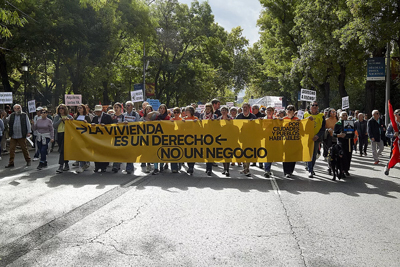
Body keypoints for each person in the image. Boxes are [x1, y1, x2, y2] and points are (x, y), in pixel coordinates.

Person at [5, 104, 32, 168]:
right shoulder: (12, 115)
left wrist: (29, 132)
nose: (17, 110)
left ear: (20, 108)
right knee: (11, 149)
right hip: (13, 135)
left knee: (24, 149)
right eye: (16, 108)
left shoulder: (24, 115)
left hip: (21, 135)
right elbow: (6, 121)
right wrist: (4, 117)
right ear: (14, 109)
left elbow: (28, 123)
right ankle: (11, 162)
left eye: (18, 108)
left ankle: (28, 160)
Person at [304, 101, 325, 178]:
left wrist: (318, 135)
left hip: (316, 138)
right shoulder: (305, 114)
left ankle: (310, 168)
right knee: (309, 154)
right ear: (310, 107)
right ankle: (310, 170)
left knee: (314, 154)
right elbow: (300, 123)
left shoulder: (321, 116)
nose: (315, 106)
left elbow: (323, 128)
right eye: (313, 105)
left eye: (316, 105)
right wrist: (307, 118)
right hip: (307, 138)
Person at [236, 102, 257, 177]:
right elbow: (236, 126)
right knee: (242, 154)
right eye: (243, 107)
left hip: (250, 138)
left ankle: (247, 169)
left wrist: (253, 123)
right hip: (241, 138)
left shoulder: (253, 116)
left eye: (246, 107)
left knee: (248, 153)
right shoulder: (239, 116)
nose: (244, 109)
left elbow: (256, 127)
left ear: (249, 108)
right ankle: (245, 167)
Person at [90, 105, 113, 172]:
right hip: (97, 138)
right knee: (96, 152)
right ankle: (97, 166)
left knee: (104, 152)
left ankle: (104, 167)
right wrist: (92, 125)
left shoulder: (107, 117)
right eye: (96, 112)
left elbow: (111, 126)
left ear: (101, 111)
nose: (97, 113)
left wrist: (105, 126)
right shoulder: (94, 118)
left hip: (105, 138)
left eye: (98, 111)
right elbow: (90, 126)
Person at [333, 111, 355, 177]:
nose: (345, 116)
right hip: (341, 143)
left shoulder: (350, 123)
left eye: (346, 115)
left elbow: (352, 131)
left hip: (349, 142)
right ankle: (341, 170)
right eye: (343, 115)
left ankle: (346, 169)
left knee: (349, 156)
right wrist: (339, 135)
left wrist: (354, 135)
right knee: (342, 156)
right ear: (340, 116)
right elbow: (334, 134)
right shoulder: (338, 124)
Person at [53, 104, 73, 173]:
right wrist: (60, 120)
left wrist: (68, 121)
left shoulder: (69, 116)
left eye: (62, 108)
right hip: (59, 134)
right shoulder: (57, 117)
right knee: (63, 150)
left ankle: (61, 165)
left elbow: (72, 126)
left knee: (62, 150)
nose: (61, 109)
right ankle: (66, 164)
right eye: (60, 108)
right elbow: (54, 126)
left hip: (66, 134)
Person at [73, 104, 92, 173]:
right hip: (78, 136)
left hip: (85, 136)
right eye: (78, 108)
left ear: (84, 109)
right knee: (80, 150)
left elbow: (90, 126)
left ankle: (86, 162)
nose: (79, 109)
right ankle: (81, 166)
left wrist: (86, 123)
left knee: (85, 150)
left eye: (80, 108)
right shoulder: (76, 117)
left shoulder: (87, 117)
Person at [282, 105, 300, 178]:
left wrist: (300, 122)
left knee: (293, 156)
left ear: (293, 111)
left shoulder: (297, 119)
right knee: (286, 156)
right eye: (288, 109)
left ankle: (291, 171)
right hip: (285, 141)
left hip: (294, 141)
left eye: (291, 109)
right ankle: (286, 171)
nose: (289, 110)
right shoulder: (283, 119)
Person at [200, 103, 217, 175]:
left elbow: (217, 126)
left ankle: (209, 169)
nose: (207, 110)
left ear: (211, 109)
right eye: (206, 108)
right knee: (205, 152)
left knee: (210, 152)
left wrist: (214, 122)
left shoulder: (214, 116)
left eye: (209, 108)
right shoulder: (201, 115)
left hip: (212, 135)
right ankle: (207, 167)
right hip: (204, 135)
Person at [183, 106, 198, 175]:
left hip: (193, 138)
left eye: (187, 110)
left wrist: (196, 122)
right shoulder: (184, 119)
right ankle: (189, 166)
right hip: (186, 138)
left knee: (192, 152)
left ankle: (191, 166)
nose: (186, 112)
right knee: (187, 152)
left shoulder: (195, 118)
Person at [384, 109, 400, 175]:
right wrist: (393, 135)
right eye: (399, 114)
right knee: (392, 157)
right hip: (395, 143)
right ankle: (387, 167)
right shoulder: (392, 124)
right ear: (395, 115)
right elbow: (387, 134)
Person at [263, 106, 277, 177]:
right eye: (267, 110)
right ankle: (267, 170)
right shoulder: (262, 119)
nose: (269, 111)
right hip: (265, 140)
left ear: (273, 112)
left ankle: (267, 168)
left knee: (270, 155)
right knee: (267, 155)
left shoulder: (276, 120)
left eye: (270, 110)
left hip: (273, 140)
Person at [218, 106, 232, 177]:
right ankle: (224, 169)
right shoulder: (218, 119)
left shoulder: (231, 119)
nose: (223, 111)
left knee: (228, 154)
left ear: (227, 111)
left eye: (225, 110)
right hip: (221, 139)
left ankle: (227, 169)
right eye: (222, 110)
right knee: (223, 154)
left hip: (229, 138)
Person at [140, 105, 154, 173]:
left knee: (149, 151)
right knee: (143, 151)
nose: (148, 110)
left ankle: (148, 164)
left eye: (150, 109)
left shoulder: (154, 118)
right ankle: (143, 163)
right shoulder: (142, 118)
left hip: (151, 137)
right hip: (143, 137)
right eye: (147, 109)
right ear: (145, 111)